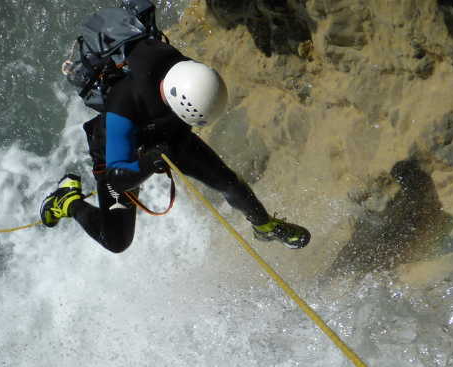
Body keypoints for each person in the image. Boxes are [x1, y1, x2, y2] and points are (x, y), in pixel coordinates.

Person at [40, 38, 310, 253]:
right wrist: (149, 162)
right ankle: (67, 201)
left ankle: (264, 226)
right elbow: (117, 178)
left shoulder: (186, 74)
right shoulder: (121, 108)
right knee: (116, 240)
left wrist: (162, 149)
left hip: (168, 132)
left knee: (228, 182)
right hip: (124, 153)